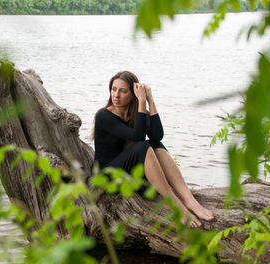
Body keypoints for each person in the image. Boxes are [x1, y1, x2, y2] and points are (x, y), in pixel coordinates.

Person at [92, 71, 214, 227]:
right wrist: (141, 102)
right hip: (107, 179)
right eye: (114, 89)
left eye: (123, 91)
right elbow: (137, 137)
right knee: (143, 146)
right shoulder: (104, 116)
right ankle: (176, 205)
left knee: (154, 144)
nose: (116, 95)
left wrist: (150, 100)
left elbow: (157, 136)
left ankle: (190, 200)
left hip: (130, 176)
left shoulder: (137, 114)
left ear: (132, 94)